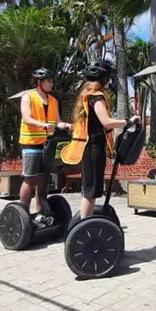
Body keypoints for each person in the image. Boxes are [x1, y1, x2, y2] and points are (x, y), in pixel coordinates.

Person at [61, 63, 138, 220]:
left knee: (89, 188)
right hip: (94, 147)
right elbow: (106, 122)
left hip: (87, 147)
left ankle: (84, 223)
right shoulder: (97, 98)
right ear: (105, 79)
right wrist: (128, 121)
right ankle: (85, 225)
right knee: (91, 190)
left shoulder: (86, 96)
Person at [17, 69, 71, 225]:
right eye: (49, 81)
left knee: (43, 179)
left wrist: (66, 125)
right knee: (30, 178)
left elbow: (58, 121)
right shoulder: (28, 97)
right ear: (39, 82)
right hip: (31, 144)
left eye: (52, 81)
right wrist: (43, 125)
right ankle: (23, 214)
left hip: (48, 144)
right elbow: (26, 118)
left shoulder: (53, 100)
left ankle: (40, 213)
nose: (51, 84)